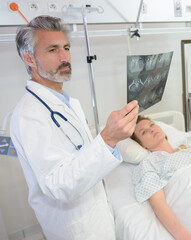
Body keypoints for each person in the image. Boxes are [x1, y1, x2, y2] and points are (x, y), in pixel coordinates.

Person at [10, 15, 139, 239]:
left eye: (66, 48)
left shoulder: (65, 101)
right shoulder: (29, 115)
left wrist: (108, 138)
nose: (64, 57)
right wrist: (107, 139)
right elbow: (59, 185)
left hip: (95, 213)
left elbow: (79, 155)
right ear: (29, 58)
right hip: (75, 228)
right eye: (52, 50)